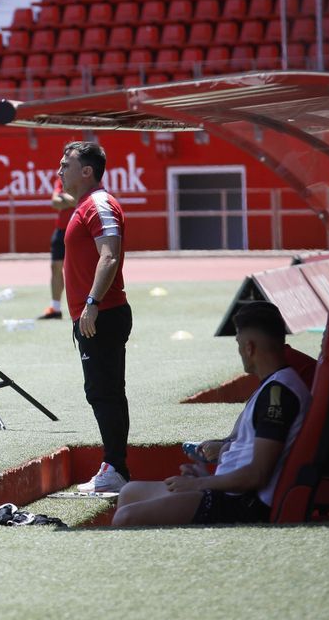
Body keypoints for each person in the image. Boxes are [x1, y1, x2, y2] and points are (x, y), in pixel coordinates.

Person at [111, 301, 309, 525]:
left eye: (238, 343)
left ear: (249, 348)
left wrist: (199, 484)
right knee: (129, 493)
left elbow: (258, 474)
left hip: (243, 504)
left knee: (125, 518)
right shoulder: (274, 386)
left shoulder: (279, 396)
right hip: (231, 492)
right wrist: (209, 477)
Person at [59, 139, 132, 494]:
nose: (59, 171)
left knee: (103, 393)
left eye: (66, 165)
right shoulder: (86, 205)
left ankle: (114, 468)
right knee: (108, 392)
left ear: (87, 171)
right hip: (98, 313)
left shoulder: (98, 204)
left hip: (101, 314)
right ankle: (116, 466)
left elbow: (110, 255)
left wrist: (92, 302)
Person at [42, 187, 77, 320]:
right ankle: (55, 308)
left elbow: (79, 201)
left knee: (77, 269)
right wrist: (70, 200)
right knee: (55, 266)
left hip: (78, 229)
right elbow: (54, 203)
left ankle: (83, 306)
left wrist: (63, 196)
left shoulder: (87, 178)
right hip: (61, 230)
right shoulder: (61, 180)